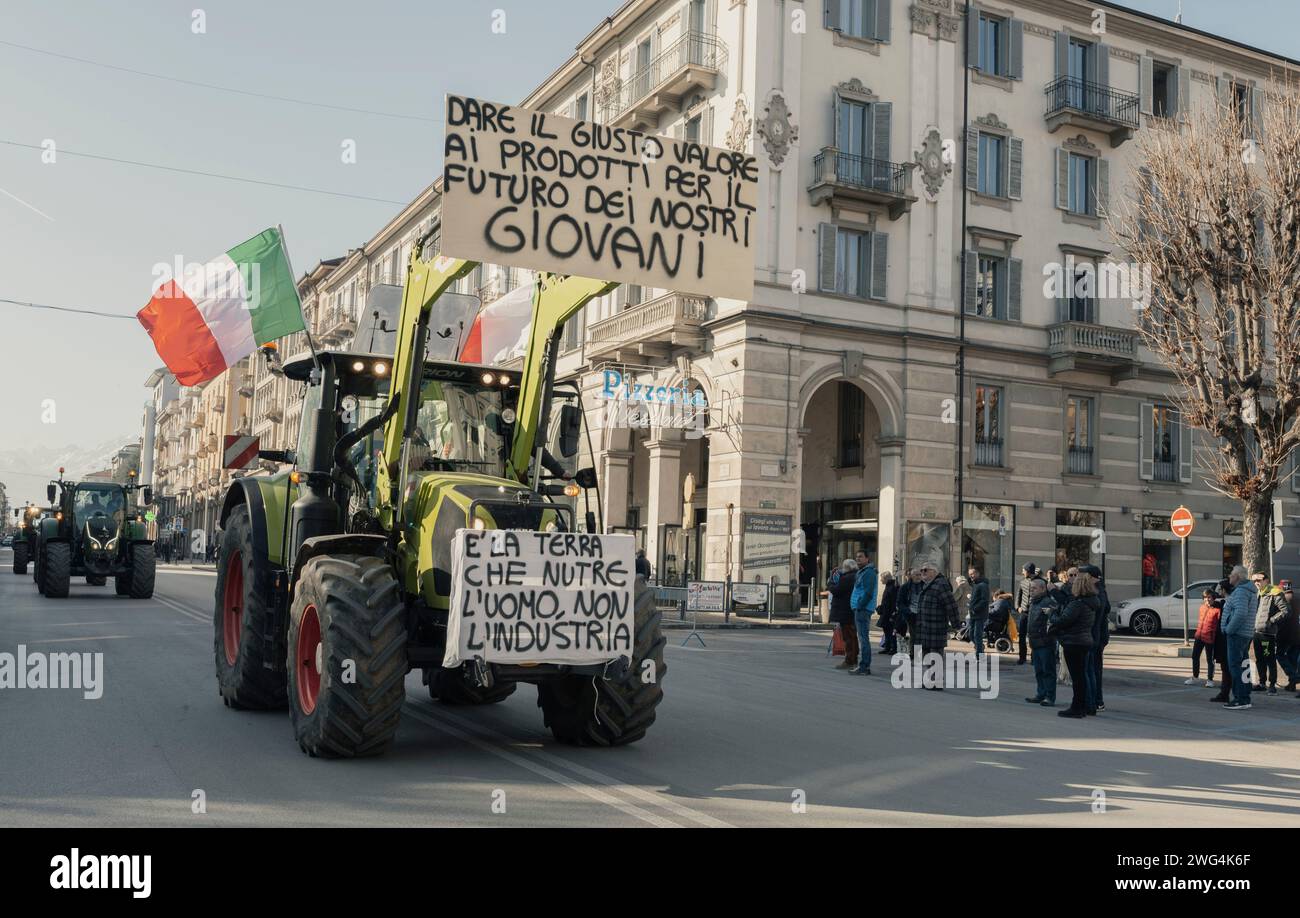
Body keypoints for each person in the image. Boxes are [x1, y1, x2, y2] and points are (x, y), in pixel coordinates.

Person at [1048, 568, 1099, 717]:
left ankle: (1077, 707)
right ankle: (1081, 707)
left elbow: (1063, 621)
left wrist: (1052, 614)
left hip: (1074, 642)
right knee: (1081, 676)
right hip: (1083, 640)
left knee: (1078, 678)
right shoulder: (1091, 602)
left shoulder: (1078, 604)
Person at [913, 560, 956, 689]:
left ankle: (936, 682)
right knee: (926, 655)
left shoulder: (940, 585)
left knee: (935, 655)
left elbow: (951, 605)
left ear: (934, 572)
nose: (923, 573)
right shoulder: (927, 585)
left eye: (925, 570)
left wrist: (956, 624)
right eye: (921, 570)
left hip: (936, 627)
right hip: (925, 627)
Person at [1219, 565, 1257, 709]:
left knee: (1235, 666)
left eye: (1232, 575)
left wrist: (1228, 629)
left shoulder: (1241, 592)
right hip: (1245, 633)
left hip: (1237, 634)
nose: (1229, 577)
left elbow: (1240, 613)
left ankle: (1241, 699)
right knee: (1243, 665)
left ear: (1238, 577)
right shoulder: (1248, 590)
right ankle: (1245, 696)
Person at [1025, 577, 1059, 706]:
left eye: (1034, 588)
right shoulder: (1034, 602)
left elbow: (1054, 621)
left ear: (1043, 589)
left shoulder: (1048, 602)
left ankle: (1050, 696)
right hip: (1035, 642)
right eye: (1030, 588)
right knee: (1039, 670)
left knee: (1048, 670)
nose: (1031, 591)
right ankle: (1041, 693)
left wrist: (1047, 637)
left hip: (1045, 642)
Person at [1081, 564, 1110, 712]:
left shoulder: (1096, 593)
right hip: (1097, 636)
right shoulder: (1101, 590)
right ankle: (1095, 701)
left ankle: (1094, 701)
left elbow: (1097, 614)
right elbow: (1108, 609)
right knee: (1093, 670)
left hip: (1093, 637)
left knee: (1091, 671)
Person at [1252, 574, 1286, 695]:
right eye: (1254, 580)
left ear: (1266, 580)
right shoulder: (1258, 593)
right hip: (1256, 632)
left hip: (1267, 634)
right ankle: (1262, 683)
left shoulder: (1275, 593)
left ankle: (1272, 685)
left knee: (1269, 659)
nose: (1256, 582)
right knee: (1259, 659)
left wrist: (1270, 621)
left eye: (1259, 580)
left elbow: (1285, 611)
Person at [822, 558, 859, 670]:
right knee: (852, 636)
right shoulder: (855, 576)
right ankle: (854, 659)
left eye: (844, 567)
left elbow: (835, 590)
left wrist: (830, 581)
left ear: (847, 567)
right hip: (850, 610)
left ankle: (849, 660)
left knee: (848, 637)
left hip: (845, 611)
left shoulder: (847, 578)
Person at [850, 550, 878, 675]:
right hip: (860, 608)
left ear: (867, 559)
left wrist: (860, 605)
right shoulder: (863, 572)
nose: (858, 559)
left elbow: (868, 592)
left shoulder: (868, 573)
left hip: (863, 609)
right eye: (856, 557)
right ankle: (864, 665)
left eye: (861, 557)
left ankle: (864, 666)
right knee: (862, 637)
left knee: (863, 638)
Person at [1186, 589, 1220, 687]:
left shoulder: (1218, 610)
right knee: (1195, 656)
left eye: (1209, 597)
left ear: (1213, 598)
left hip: (1210, 638)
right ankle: (1195, 677)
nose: (1207, 600)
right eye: (1205, 598)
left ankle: (1210, 680)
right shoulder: (1202, 608)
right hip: (1199, 636)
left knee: (1210, 660)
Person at [1276, 582, 1300, 694]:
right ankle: (1292, 684)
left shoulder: (1282, 598)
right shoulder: (1297, 598)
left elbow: (1282, 617)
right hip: (1297, 634)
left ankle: (1293, 676)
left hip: (1285, 634)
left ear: (1282, 588)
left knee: (1280, 655)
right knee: (1292, 658)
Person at [1014, 563, 1037, 665]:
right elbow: (1018, 596)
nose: (1022, 572)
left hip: (1034, 612)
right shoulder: (1022, 582)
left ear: (1028, 571)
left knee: (1033, 635)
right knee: (1022, 635)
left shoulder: (1040, 582)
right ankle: (1022, 657)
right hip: (1023, 612)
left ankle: (1034, 657)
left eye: (1023, 570)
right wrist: (1017, 607)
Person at [967, 566, 990, 660]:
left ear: (978, 573)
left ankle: (979, 655)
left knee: (977, 635)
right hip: (973, 614)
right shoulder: (975, 584)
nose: (971, 576)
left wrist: (975, 608)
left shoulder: (983, 585)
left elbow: (984, 600)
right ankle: (979, 648)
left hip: (979, 614)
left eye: (972, 574)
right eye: (970, 574)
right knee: (971, 635)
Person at [877, 572, 898, 654]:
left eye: (882, 578)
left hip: (889, 613)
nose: (880, 580)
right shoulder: (889, 586)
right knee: (887, 630)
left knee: (891, 631)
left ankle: (893, 648)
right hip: (886, 612)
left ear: (886, 579)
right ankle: (888, 647)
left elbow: (892, 602)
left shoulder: (892, 587)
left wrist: (892, 613)